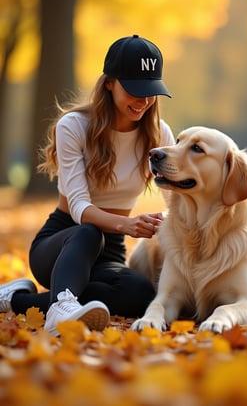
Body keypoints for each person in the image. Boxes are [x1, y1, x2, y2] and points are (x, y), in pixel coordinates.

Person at [0, 34, 175, 336]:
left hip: (111, 253)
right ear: (109, 83)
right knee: (90, 232)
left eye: (151, 91)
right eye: (134, 90)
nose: (144, 101)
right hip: (64, 241)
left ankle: (20, 299)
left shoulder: (160, 135)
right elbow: (79, 207)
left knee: (140, 293)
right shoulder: (74, 127)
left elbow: (176, 199)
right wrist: (128, 224)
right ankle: (60, 308)